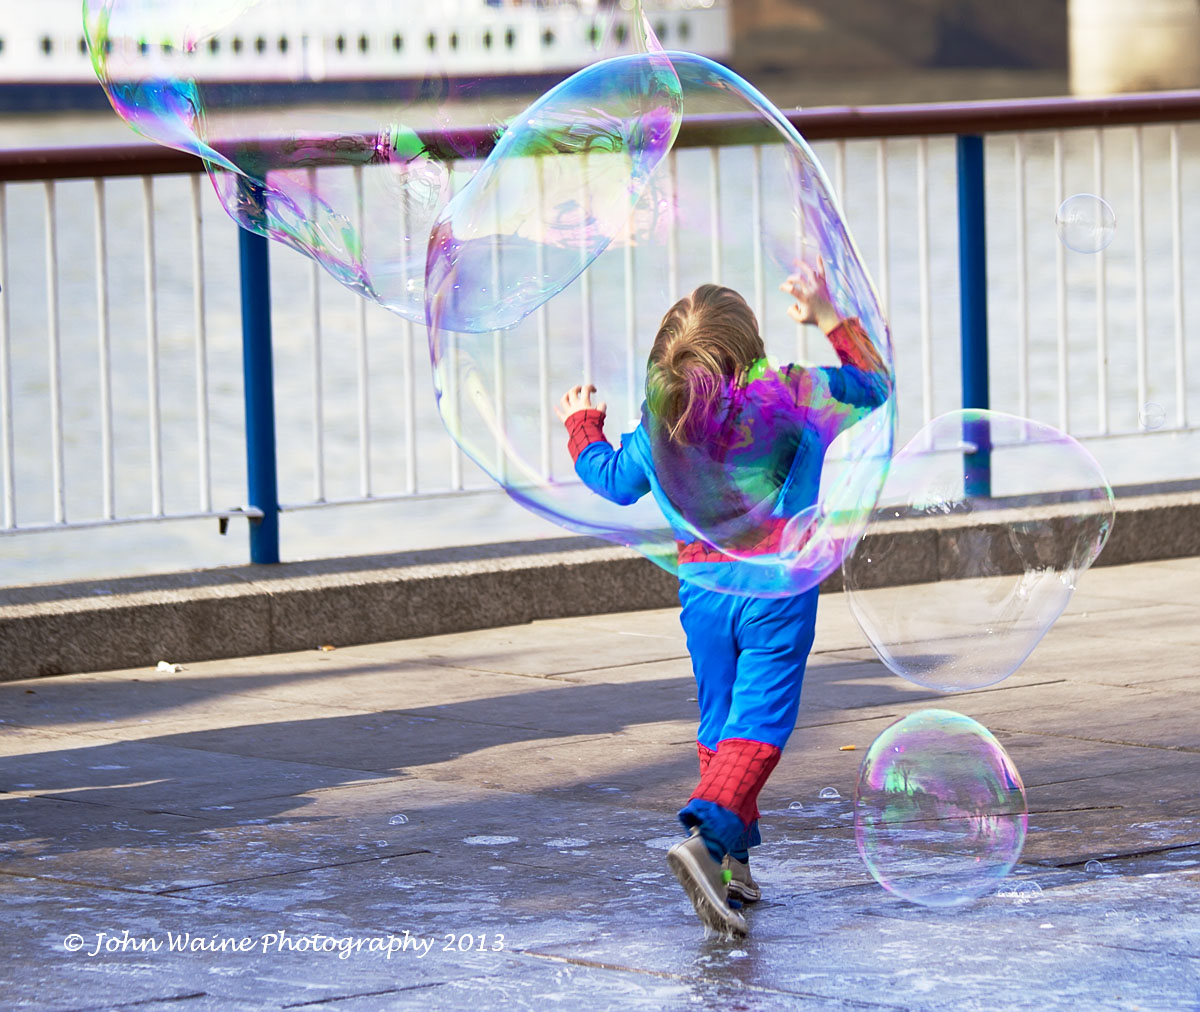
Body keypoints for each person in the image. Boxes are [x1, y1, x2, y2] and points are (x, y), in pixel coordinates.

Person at [556, 261, 891, 937]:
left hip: (703, 593)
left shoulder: (660, 417)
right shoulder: (792, 394)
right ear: (750, 348)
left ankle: (734, 861)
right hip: (778, 587)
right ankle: (706, 842)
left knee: (720, 721)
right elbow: (876, 386)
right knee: (760, 725)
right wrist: (827, 314)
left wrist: (584, 425)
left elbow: (614, 482)